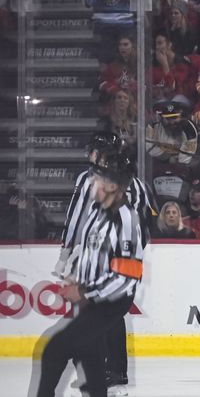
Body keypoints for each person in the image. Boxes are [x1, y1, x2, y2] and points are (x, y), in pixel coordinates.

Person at [36, 150, 145, 397]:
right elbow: (93, 251)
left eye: (98, 180)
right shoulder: (97, 212)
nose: (92, 184)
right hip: (95, 296)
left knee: (55, 350)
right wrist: (79, 277)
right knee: (90, 357)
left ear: (114, 186)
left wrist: (86, 290)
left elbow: (127, 275)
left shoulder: (128, 220)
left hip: (110, 301)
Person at [55, 132, 155, 393]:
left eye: (93, 152)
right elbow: (145, 224)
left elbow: (76, 217)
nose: (90, 156)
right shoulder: (138, 183)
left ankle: (101, 371)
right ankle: (114, 372)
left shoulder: (89, 179)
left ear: (101, 154)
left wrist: (67, 253)